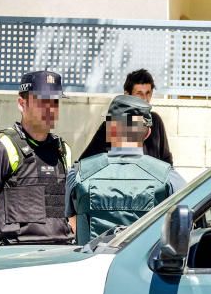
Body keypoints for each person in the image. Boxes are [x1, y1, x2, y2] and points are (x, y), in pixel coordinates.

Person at [0, 70, 75, 248]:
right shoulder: (1, 149)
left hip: (59, 260)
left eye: (55, 102)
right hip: (16, 264)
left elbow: (70, 215)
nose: (50, 109)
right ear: (22, 103)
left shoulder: (62, 150)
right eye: (42, 101)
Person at [66, 95, 184, 245]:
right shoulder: (168, 177)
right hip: (142, 267)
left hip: (91, 266)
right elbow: (187, 218)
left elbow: (69, 220)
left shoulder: (78, 173)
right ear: (147, 133)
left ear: (109, 131)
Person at [79, 69, 173, 164]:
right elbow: (85, 163)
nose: (145, 99)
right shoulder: (114, 123)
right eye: (139, 94)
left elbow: (166, 160)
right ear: (127, 94)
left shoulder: (155, 120)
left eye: (148, 93)